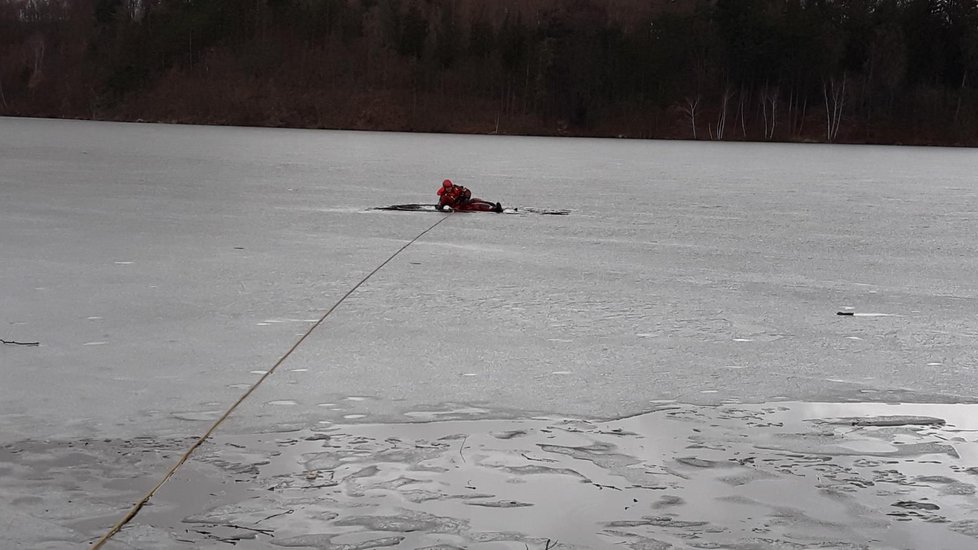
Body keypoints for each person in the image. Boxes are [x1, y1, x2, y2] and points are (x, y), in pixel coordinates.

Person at [436, 179, 502, 212]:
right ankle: (494, 209)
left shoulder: (456, 188)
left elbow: (467, 191)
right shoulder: (444, 195)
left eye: (450, 187)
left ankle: (492, 204)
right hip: (458, 207)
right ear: (444, 188)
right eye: (447, 188)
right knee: (476, 206)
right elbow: (440, 205)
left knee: (475, 200)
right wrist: (446, 208)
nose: (449, 189)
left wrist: (466, 197)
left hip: (464, 202)